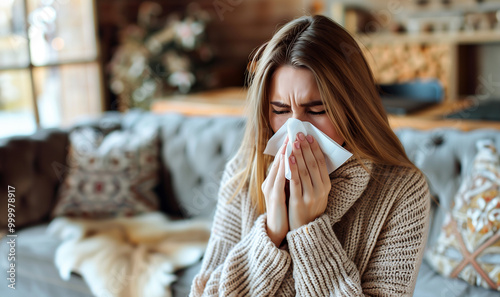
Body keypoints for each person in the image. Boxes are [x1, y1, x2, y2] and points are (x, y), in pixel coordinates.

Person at [189, 14, 430, 296]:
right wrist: (271, 231)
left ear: (353, 108)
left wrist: (308, 231)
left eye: (316, 110)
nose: (295, 130)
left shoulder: (402, 191)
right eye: (280, 110)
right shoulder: (245, 171)